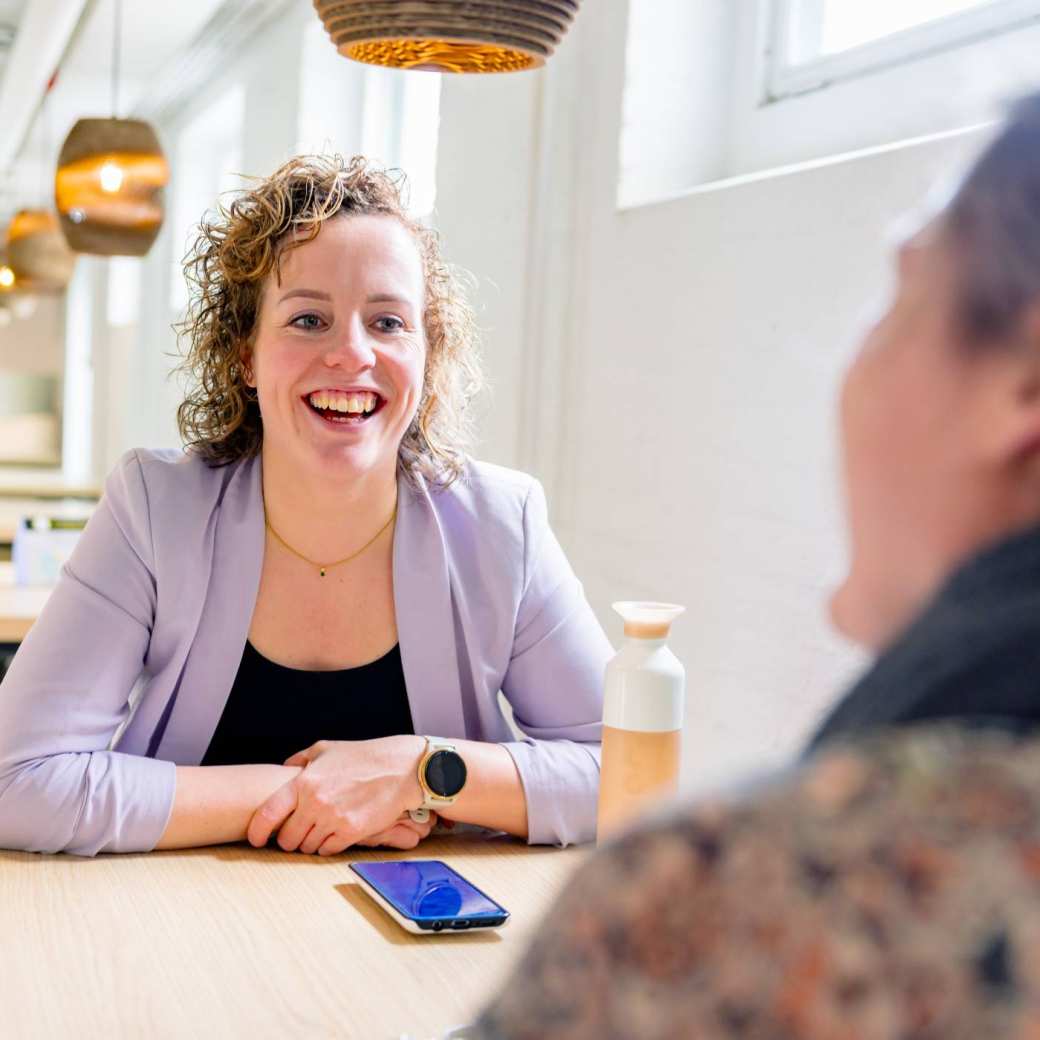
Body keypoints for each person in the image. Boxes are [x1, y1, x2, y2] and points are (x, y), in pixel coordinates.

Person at [475, 93, 1040, 1038]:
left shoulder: (723, 895)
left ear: (1023, 387)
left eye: (901, 300)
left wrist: (431, 772)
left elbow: (595, 765)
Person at [0, 156, 612, 857]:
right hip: (179, 911)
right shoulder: (154, 508)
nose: (351, 354)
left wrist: (418, 771)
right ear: (245, 356)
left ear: (427, 354)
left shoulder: (503, 525)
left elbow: (626, 777)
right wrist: (313, 792)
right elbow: (15, 781)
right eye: (308, 319)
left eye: (387, 322)